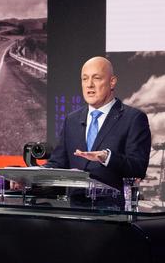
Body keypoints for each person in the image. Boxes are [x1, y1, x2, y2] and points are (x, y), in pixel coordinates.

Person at [45, 56, 151, 192]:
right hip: (75, 208)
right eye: (85, 79)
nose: (89, 85)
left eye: (96, 78)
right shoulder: (71, 120)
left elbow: (138, 168)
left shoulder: (134, 119)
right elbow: (57, 163)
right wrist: (27, 177)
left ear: (112, 82)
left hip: (113, 209)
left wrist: (107, 157)